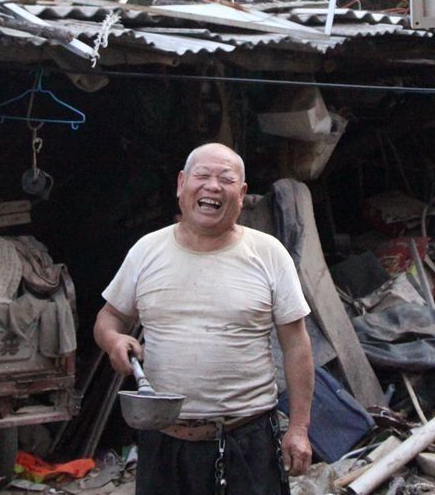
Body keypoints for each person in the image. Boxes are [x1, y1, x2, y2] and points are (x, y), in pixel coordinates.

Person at [94, 142, 314, 494]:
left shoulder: (268, 254)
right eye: (202, 176)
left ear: (241, 195)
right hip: (165, 444)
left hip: (248, 441)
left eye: (226, 179)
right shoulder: (146, 251)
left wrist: (299, 428)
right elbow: (109, 317)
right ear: (181, 184)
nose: (213, 186)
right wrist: (114, 340)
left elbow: (296, 345)